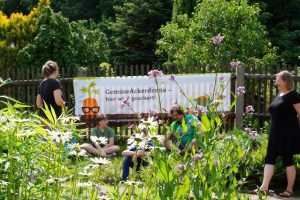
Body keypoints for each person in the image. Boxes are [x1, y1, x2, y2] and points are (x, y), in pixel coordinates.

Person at [252, 71, 300, 197]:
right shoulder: (280, 94)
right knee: (269, 158)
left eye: (278, 80)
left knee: (288, 160)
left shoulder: (294, 95)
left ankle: (289, 190)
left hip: (288, 133)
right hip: (275, 132)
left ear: (286, 81)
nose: (276, 82)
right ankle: (264, 187)